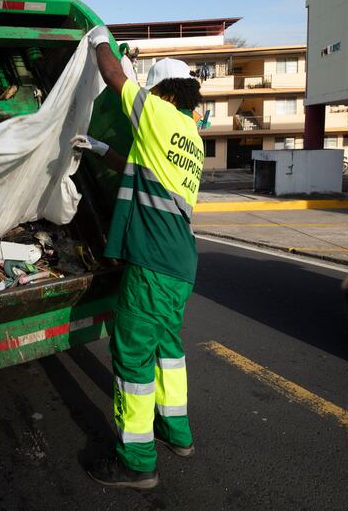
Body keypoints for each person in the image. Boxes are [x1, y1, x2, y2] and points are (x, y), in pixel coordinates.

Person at [75, 25, 205, 490]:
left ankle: (137, 461)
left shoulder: (156, 112)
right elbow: (138, 164)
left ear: (163, 92)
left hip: (153, 265)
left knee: (132, 359)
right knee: (167, 350)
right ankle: (177, 433)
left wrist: (98, 39)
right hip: (181, 265)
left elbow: (114, 76)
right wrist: (100, 149)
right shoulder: (191, 136)